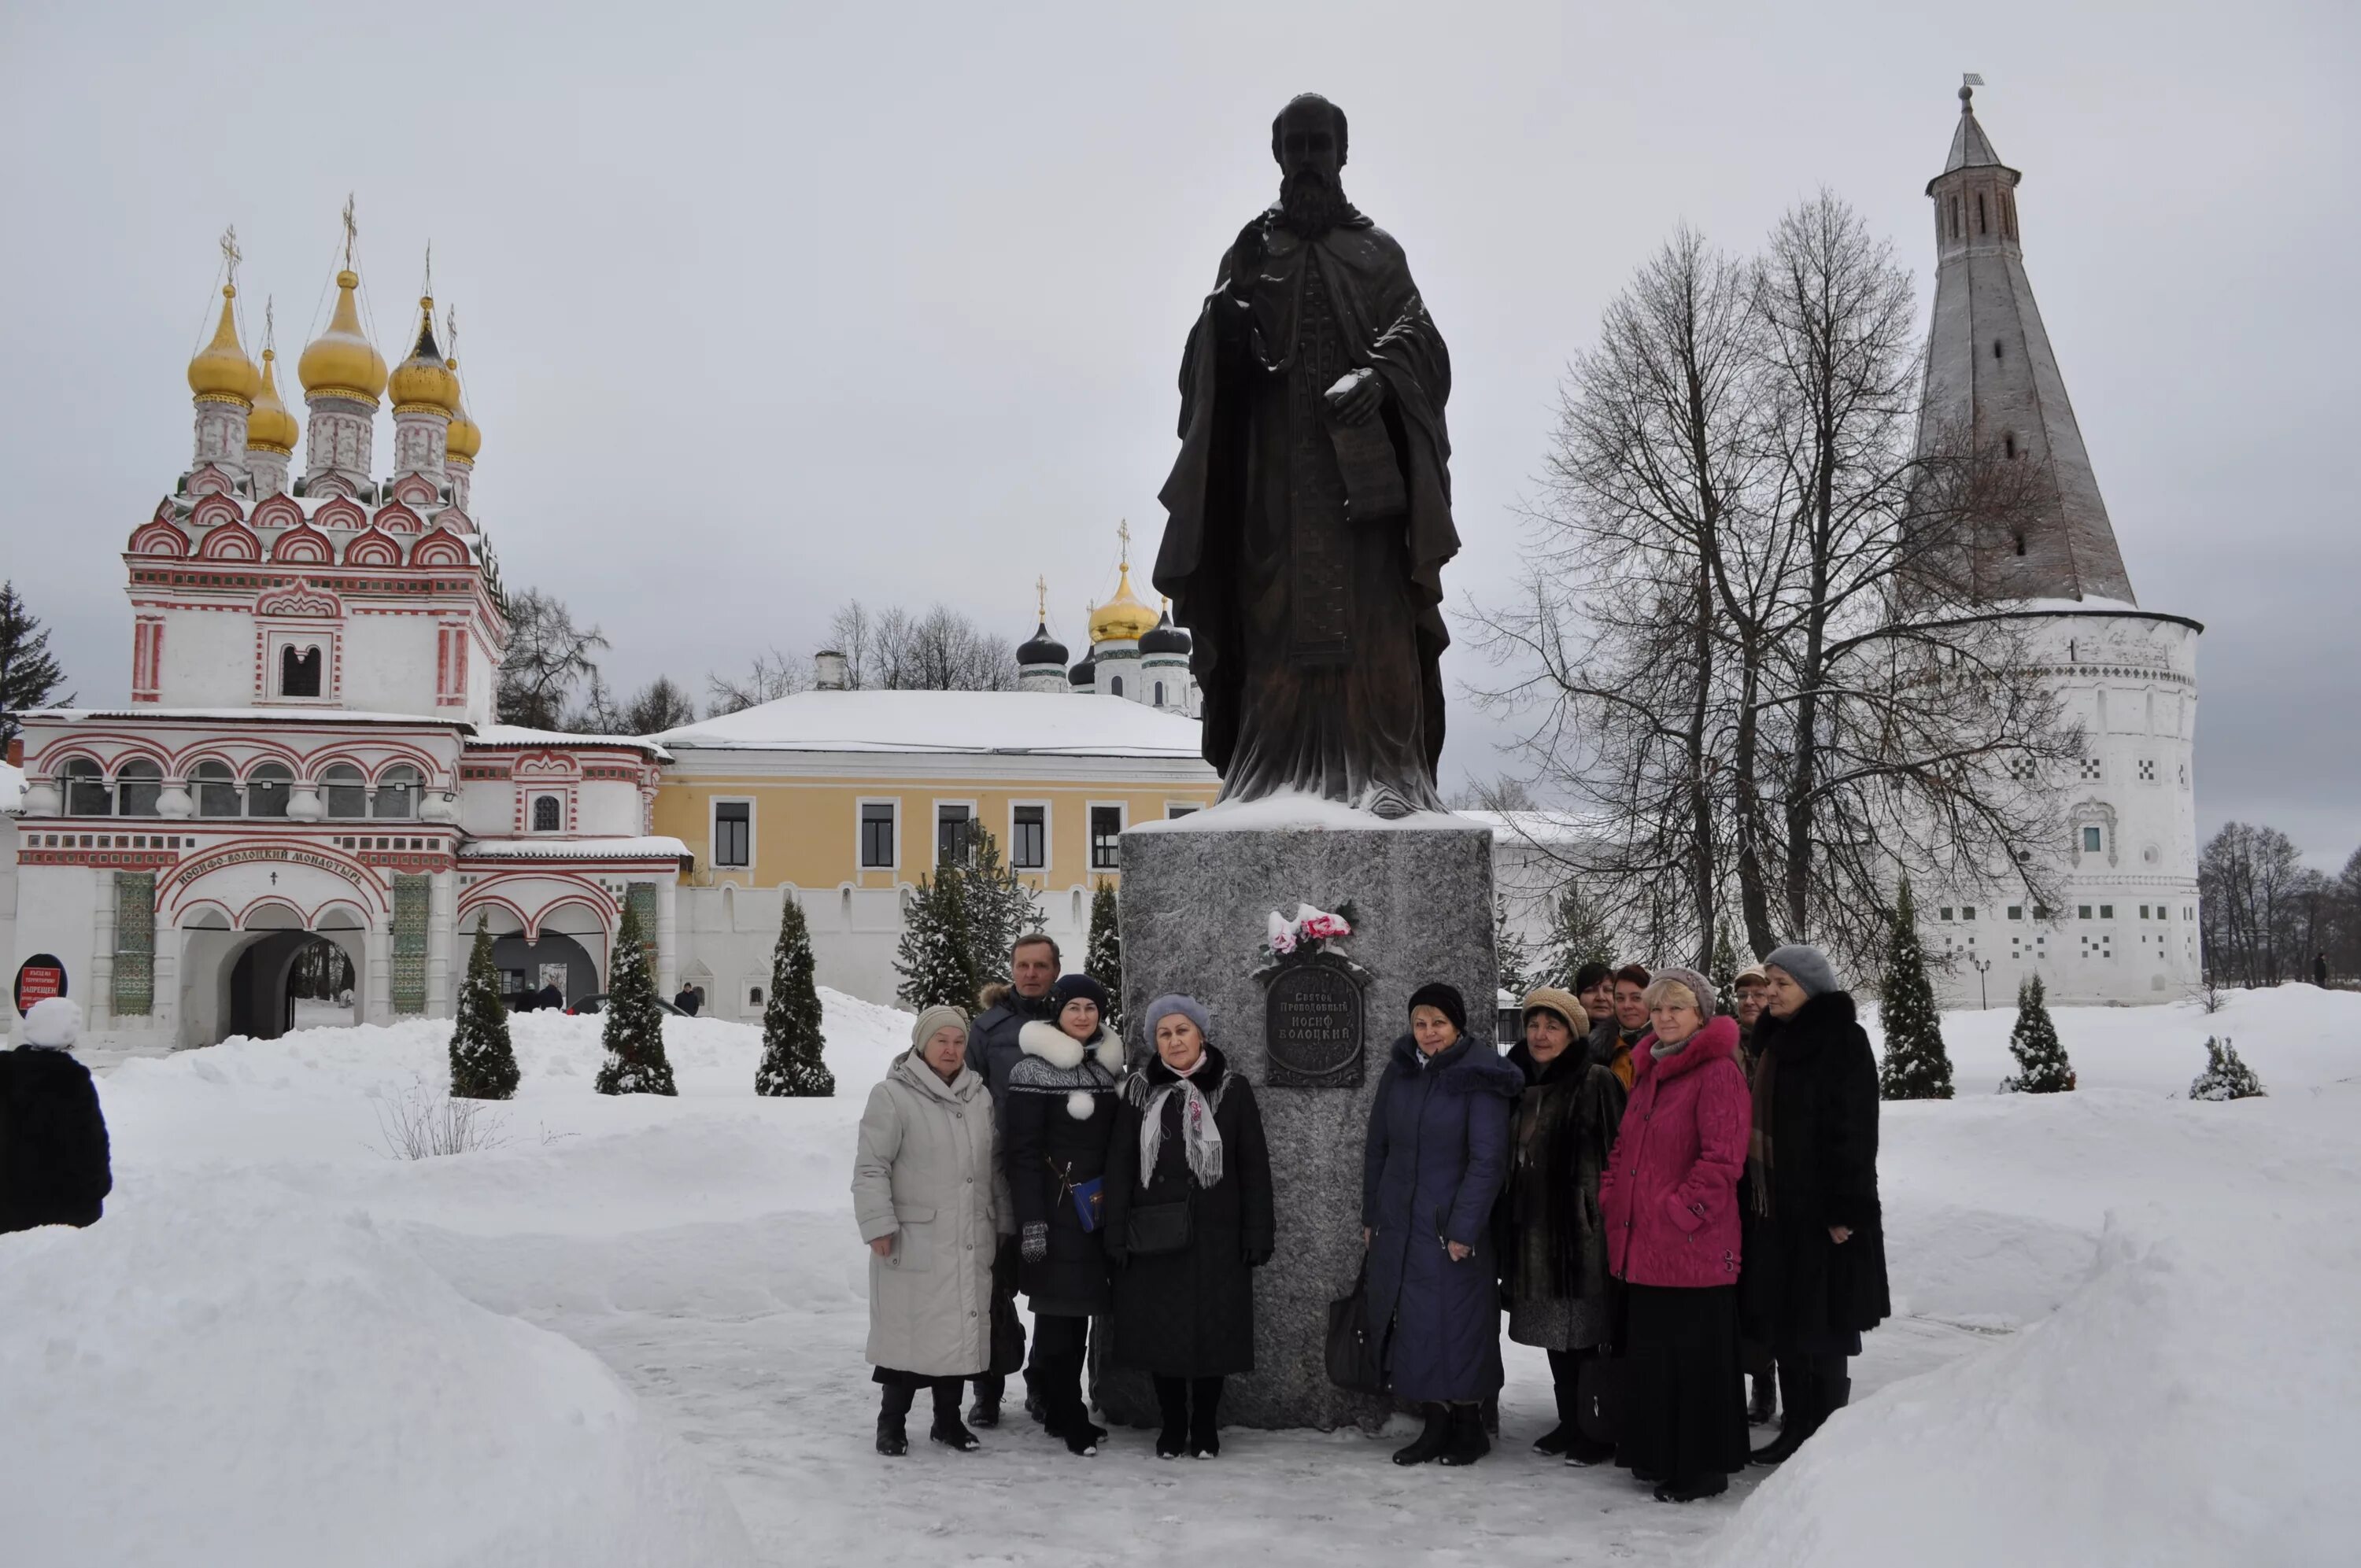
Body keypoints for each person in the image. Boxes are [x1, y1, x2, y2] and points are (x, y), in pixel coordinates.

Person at [1598, 968, 1750, 1503]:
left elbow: (1722, 1159)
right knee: (1656, 1361)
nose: (1663, 1018)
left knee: (1695, 1365)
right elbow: (1624, 1149)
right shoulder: (1652, 1070)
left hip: (1692, 1249)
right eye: (1656, 1008)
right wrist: (1612, 1193)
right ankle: (1659, 1454)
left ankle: (1702, 1465)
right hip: (1644, 1247)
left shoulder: (1716, 1072)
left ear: (1701, 1015)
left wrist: (1678, 1213)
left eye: (1675, 1008)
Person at [1103, 994, 1276, 1459]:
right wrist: (1115, 1234)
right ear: (1154, 1042)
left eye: (1182, 1031)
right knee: (1162, 1333)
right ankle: (1172, 1421)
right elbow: (1120, 1166)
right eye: (1164, 1033)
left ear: (1201, 1035)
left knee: (1212, 1333)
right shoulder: (1139, 1092)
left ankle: (1204, 1423)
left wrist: (1258, 1232)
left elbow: (1253, 1166)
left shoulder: (1232, 1089)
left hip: (1217, 1236)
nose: (1174, 1040)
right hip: (1153, 1236)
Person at [1362, 982, 1523, 1466]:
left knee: (1461, 1324)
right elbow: (1378, 1149)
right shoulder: (1400, 1073)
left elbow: (1488, 1160)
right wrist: (1373, 1215)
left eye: (1439, 1023)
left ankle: (1470, 1425)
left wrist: (1463, 1228)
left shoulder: (1480, 1075)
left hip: (1450, 1226)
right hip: (1401, 1224)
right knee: (1415, 1324)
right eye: (1420, 1023)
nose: (1428, 1033)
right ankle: (1434, 1423)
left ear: (1458, 1026)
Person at [1742, 944, 1891, 1467]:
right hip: (1779, 1208)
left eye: (1781, 983)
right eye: (1768, 983)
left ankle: (1825, 1435)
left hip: (1826, 1212)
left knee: (1824, 1325)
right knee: (1788, 1324)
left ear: (1812, 986)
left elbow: (1853, 1129)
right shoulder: (1777, 1042)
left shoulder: (1842, 1040)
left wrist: (1844, 1209)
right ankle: (1796, 1424)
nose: (1770, 993)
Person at [852, 1005, 1010, 1456]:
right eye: (941, 1040)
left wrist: (1004, 1221)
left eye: (959, 1042)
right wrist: (878, 1224)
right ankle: (892, 1423)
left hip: (968, 1236)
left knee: (957, 1333)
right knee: (907, 1335)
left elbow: (993, 1166)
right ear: (922, 1044)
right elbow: (870, 1167)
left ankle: (948, 1422)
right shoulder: (893, 1095)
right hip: (913, 1238)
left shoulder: (978, 1097)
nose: (951, 1049)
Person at [1498, 986, 1628, 1466]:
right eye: (1533, 1024)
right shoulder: (1518, 1084)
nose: (1540, 1034)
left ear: (1572, 1032)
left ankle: (1596, 1427)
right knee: (1555, 1336)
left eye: (1552, 1026)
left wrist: (1598, 1212)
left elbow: (1623, 1155)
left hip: (1582, 1235)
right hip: (1532, 1234)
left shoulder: (1597, 1081)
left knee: (1588, 1336)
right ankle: (1568, 1421)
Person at [1002, 972, 1125, 1456]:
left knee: (1081, 1318)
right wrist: (1032, 1221)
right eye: (1073, 1007)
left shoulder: (1104, 1070)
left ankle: (1060, 1409)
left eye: (1090, 1008)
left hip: (1096, 1215)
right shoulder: (1033, 1071)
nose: (1081, 1016)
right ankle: (1067, 1412)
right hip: (1057, 1217)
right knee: (1058, 1321)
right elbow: (1024, 1154)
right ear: (1057, 1012)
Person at [963, 933, 1063, 1429]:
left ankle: (1045, 1386)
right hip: (999, 1171)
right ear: (1011, 969)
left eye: (1040, 966)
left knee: (1055, 1287)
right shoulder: (987, 1028)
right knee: (994, 1284)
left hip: (1058, 1172)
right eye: (1022, 965)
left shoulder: (1074, 1018)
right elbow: (967, 1095)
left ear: (1055, 971)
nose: (1030, 974)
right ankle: (988, 1388)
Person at [0, 998, 113, 1236]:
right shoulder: (71, 1082)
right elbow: (89, 1146)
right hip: (58, 1215)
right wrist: (97, 1188)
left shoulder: (5, 1071)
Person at [1728, 961, 1778, 1425]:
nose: (1749, 1002)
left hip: (1770, 1178)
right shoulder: (1726, 1049)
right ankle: (1746, 1379)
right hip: (1732, 1179)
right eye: (1743, 995)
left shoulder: (1778, 1046)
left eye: (1758, 994)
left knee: (1767, 1287)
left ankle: (1768, 1383)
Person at [1583, 963, 1650, 1091]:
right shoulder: (1595, 1052)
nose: (1627, 1005)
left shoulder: (1666, 1050)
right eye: (1620, 998)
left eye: (1636, 998)